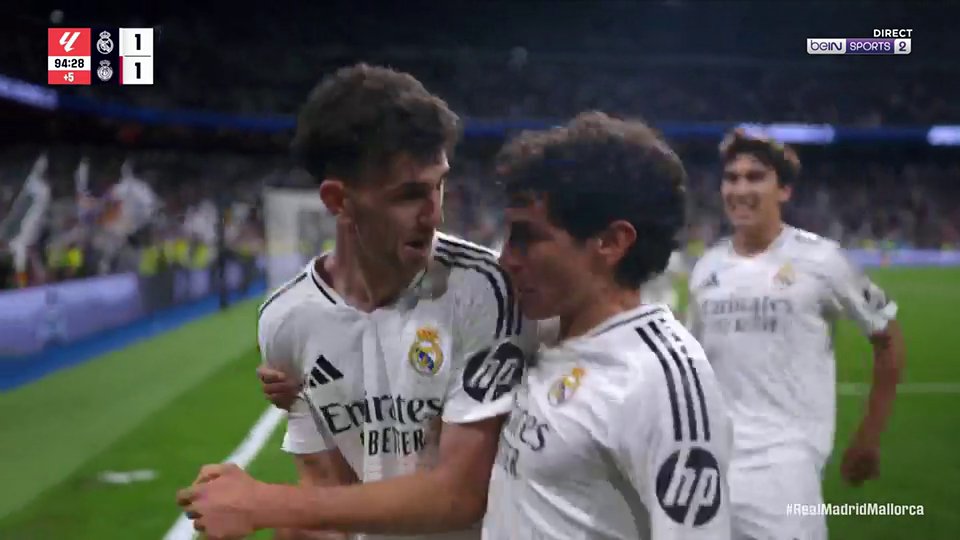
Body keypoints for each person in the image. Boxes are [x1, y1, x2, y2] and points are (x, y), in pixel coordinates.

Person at [178, 63, 537, 539]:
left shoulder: (483, 287)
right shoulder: (286, 320)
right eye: (409, 195)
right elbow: (328, 493)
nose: (434, 214)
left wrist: (266, 504)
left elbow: (461, 496)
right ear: (338, 200)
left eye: (439, 185)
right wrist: (285, 520)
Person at [482, 112, 732, 538]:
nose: (507, 259)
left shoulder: (661, 380)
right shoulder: (537, 335)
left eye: (527, 238)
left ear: (611, 242)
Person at [685, 129, 905, 539]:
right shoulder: (706, 268)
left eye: (755, 177)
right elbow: (691, 367)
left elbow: (887, 337)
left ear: (784, 190)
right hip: (709, 466)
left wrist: (869, 435)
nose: (740, 188)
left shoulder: (823, 260)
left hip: (786, 469)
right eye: (731, 178)